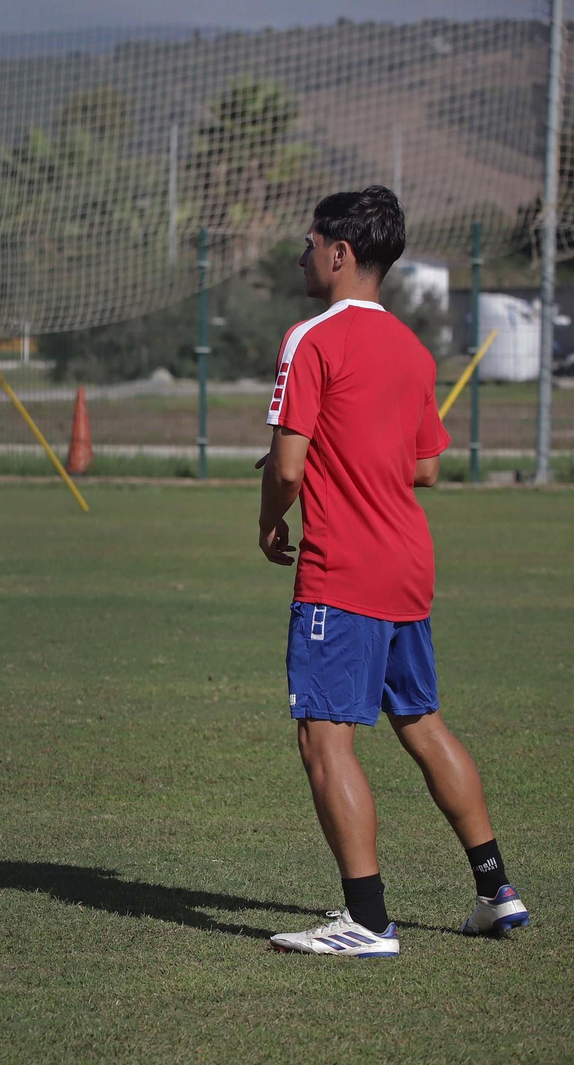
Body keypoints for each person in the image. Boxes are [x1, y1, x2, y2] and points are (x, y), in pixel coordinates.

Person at [256, 186, 528, 957]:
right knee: (423, 721)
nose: (303, 257)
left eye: (310, 244)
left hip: (343, 567)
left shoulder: (311, 337)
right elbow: (427, 467)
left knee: (324, 739)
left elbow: (287, 466)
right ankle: (496, 892)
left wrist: (268, 517)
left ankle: (368, 921)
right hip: (408, 562)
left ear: (341, 253)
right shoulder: (412, 348)